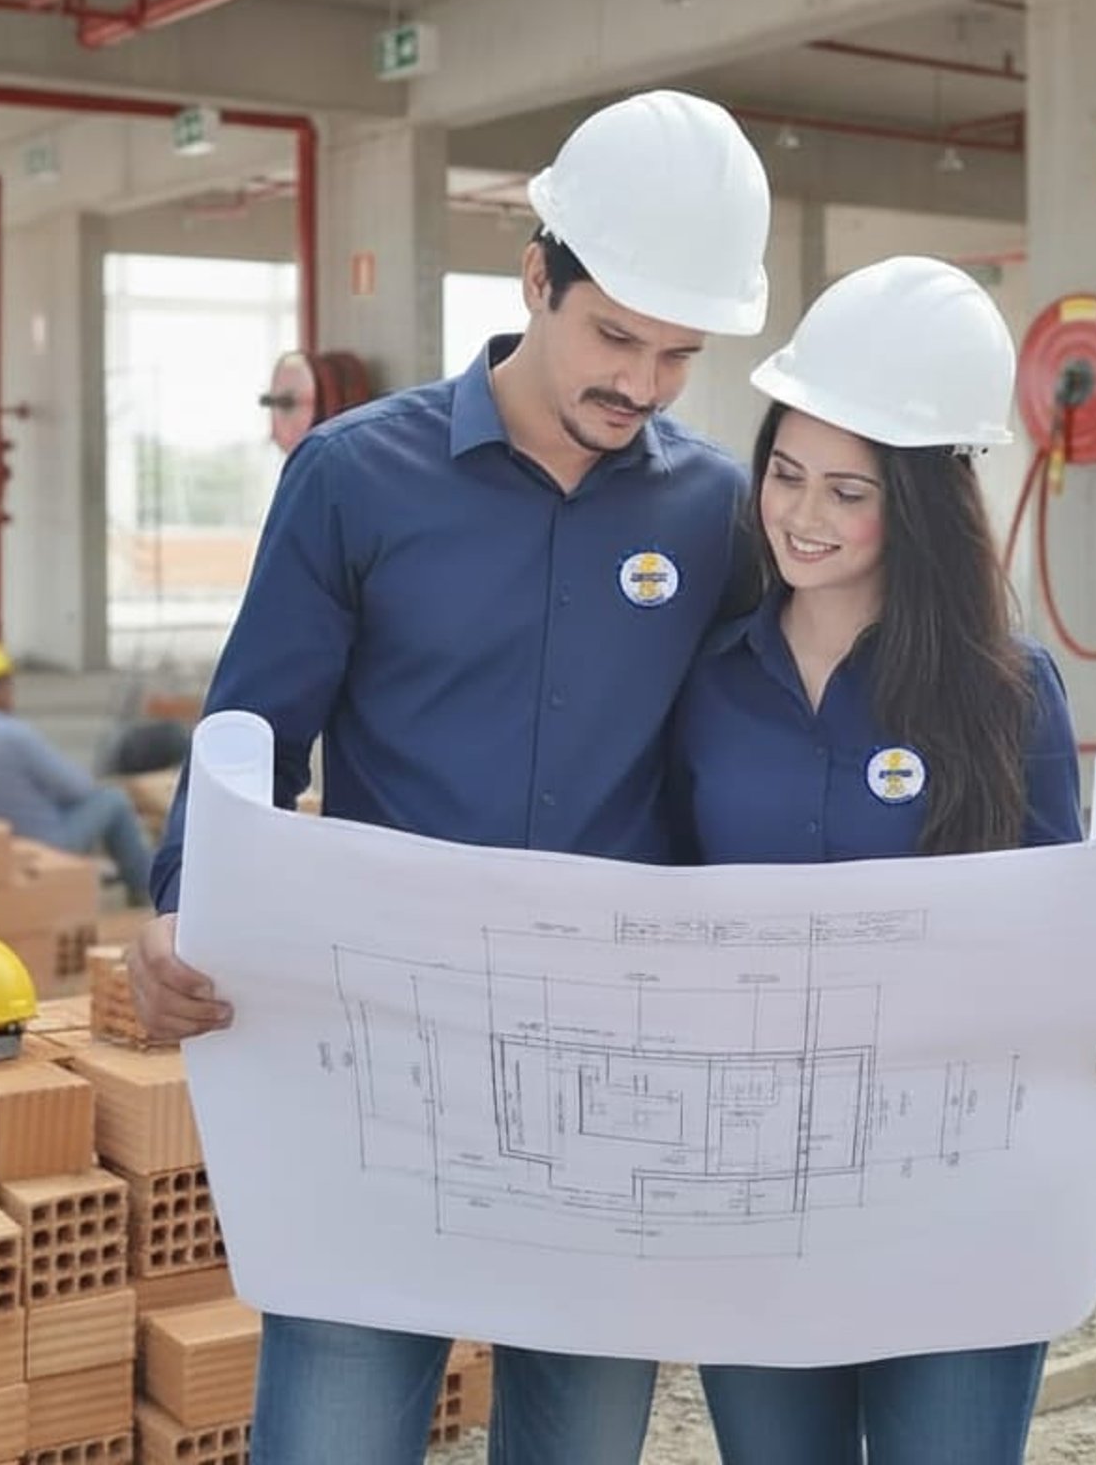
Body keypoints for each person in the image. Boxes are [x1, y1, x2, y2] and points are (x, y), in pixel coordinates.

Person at [130, 89, 775, 1465]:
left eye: (679, 354)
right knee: (336, 1435)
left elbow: (782, 741)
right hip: (382, 1052)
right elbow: (253, 731)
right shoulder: (356, 479)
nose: (644, 384)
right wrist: (185, 901)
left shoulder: (717, 511)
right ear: (533, 278)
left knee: (582, 1441)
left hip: (615, 1067)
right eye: (614, 336)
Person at [668, 256, 1096, 1465]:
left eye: (847, 492)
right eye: (785, 475)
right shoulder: (704, 688)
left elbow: (1074, 944)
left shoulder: (1003, 693)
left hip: (961, 1203)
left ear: (911, 503)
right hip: (758, 1194)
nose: (802, 515)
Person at [0, 637, 154, 904]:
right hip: (44, 844)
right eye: (7, 684)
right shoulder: (10, 734)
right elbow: (77, 788)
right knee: (113, 800)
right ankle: (143, 888)